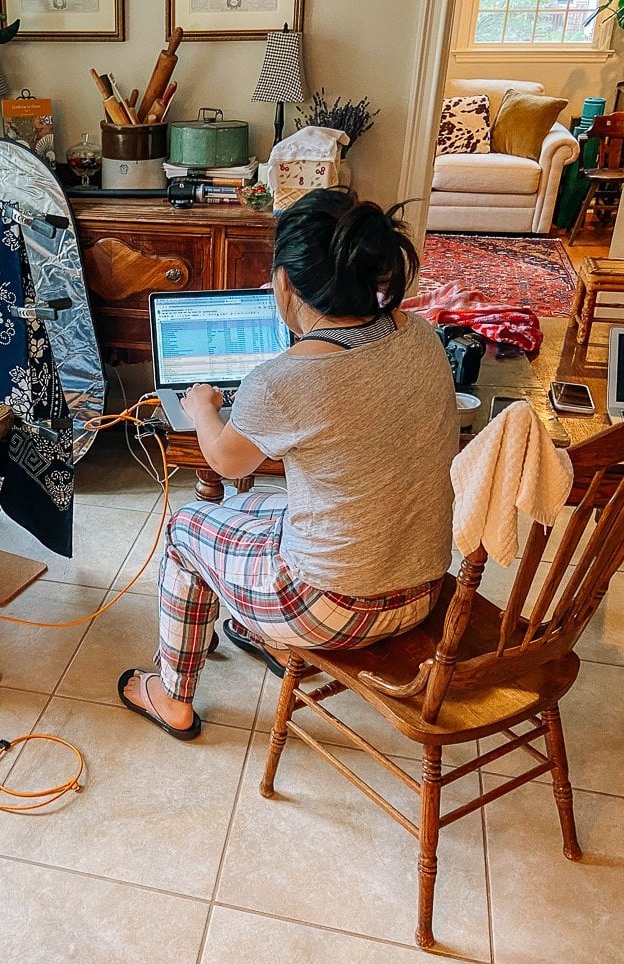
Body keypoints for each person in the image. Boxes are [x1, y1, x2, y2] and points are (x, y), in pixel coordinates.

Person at [118, 187, 459, 740]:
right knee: (257, 506)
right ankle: (264, 635)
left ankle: (173, 696)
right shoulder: (420, 335)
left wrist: (203, 408)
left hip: (333, 610)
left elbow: (225, 463)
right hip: (423, 589)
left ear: (283, 283)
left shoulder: (284, 380)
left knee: (185, 527)